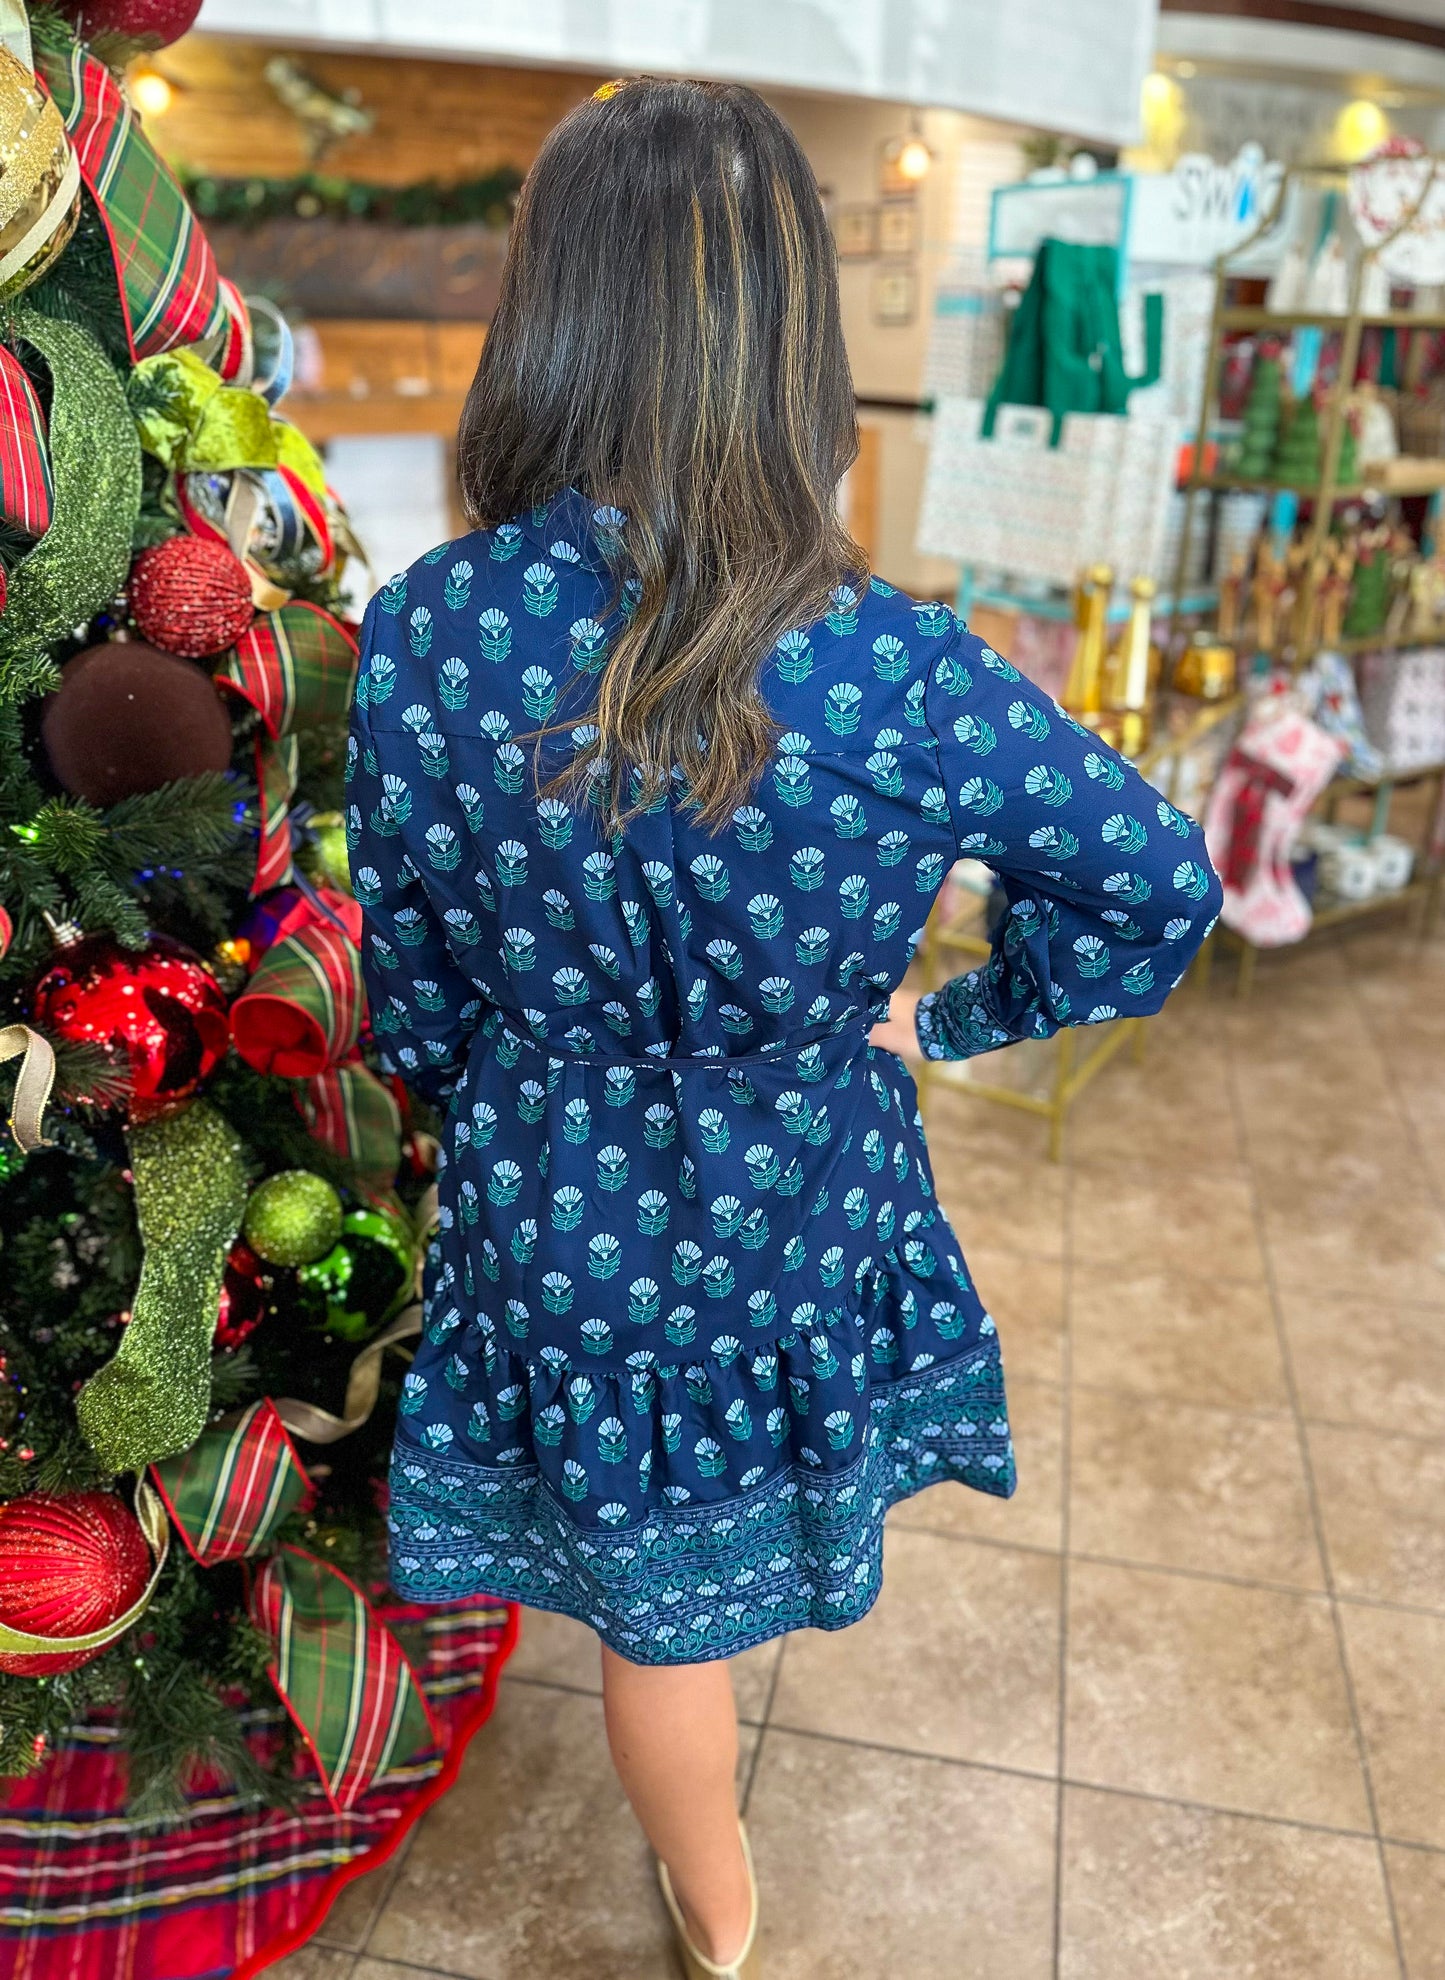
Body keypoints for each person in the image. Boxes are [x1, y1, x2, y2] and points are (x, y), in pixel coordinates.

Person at [348, 76, 1221, 1980]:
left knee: (653, 1613)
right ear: (795, 332)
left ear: (551, 305)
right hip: (798, 1179)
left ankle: (720, 1907)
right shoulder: (895, 660)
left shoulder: (425, 627)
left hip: (559, 1187)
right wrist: (956, 1016)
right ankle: (723, 1914)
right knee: (696, 1582)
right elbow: (1155, 881)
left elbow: (398, 962)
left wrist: (467, 1091)